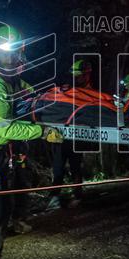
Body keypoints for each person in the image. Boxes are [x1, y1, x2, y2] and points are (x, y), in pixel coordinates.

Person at [0, 24, 62, 259]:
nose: (10, 56)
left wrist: (55, 100)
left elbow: (32, 96)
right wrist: (42, 131)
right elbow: (5, 127)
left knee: (3, 208)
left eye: (15, 51)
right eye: (5, 51)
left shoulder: (11, 79)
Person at [51, 59, 93, 208]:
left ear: (87, 75)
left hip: (78, 136)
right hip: (61, 135)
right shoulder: (68, 89)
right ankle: (55, 196)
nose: (75, 78)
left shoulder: (92, 93)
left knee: (75, 166)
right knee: (58, 167)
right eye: (74, 75)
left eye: (78, 75)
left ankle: (77, 196)